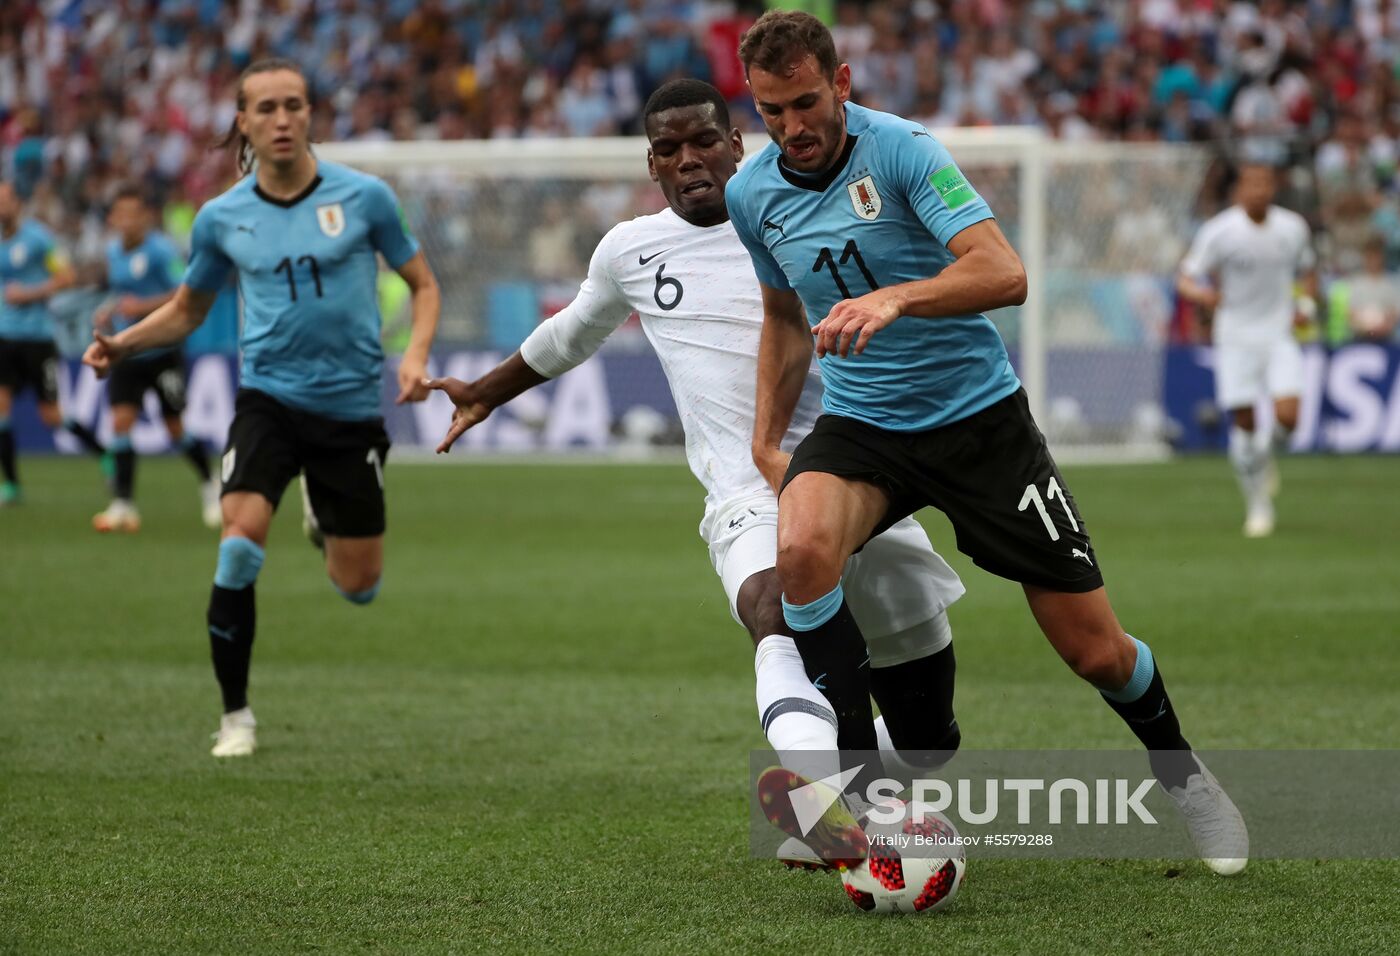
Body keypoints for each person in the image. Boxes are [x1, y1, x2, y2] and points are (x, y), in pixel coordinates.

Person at [726, 10, 1246, 875]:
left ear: (842, 83)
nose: (793, 127)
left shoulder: (903, 152)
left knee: (1095, 651)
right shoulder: (753, 195)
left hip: (978, 425)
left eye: (807, 103)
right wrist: (764, 439)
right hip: (863, 426)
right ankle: (862, 804)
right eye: (773, 111)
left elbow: (1003, 272)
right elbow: (784, 317)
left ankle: (1185, 776)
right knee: (802, 549)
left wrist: (897, 298)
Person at [426, 78, 965, 868]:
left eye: (704, 142)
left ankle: (860, 780)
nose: (689, 161)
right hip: (750, 491)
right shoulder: (630, 250)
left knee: (930, 742)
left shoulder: (795, 215)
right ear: (652, 163)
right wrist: (483, 391)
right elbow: (572, 332)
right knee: (771, 608)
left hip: (861, 473)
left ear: (737, 144)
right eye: (669, 149)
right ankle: (824, 802)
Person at [83, 58, 442, 758]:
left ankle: (319, 507)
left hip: (347, 412)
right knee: (239, 546)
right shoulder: (222, 218)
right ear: (242, 122)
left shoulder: (365, 197)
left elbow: (423, 285)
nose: (282, 119)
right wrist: (123, 345)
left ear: (310, 115)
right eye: (267, 108)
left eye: (294, 106)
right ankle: (235, 717)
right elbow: (189, 308)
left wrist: (416, 356)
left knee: (358, 586)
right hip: (267, 400)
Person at [1178, 164, 1317, 538]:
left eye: (1265, 183)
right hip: (1236, 336)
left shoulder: (1293, 228)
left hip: (1278, 333)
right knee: (1245, 421)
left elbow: (1308, 273)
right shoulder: (1220, 231)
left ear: (1273, 187)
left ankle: (1265, 453)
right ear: (1240, 190)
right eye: (1251, 184)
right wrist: (1203, 294)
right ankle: (1258, 505)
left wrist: (1304, 307)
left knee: (1288, 417)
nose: (1258, 190)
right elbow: (1186, 278)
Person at [90, 183, 221, 533]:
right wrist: (108, 312)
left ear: (145, 217)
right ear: (114, 219)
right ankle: (123, 503)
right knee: (120, 423)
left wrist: (141, 307)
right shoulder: (114, 251)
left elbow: (184, 293)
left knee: (175, 428)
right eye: (122, 214)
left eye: (135, 214)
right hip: (127, 351)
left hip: (161, 352)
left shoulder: (162, 251)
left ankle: (210, 483)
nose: (128, 221)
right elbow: (121, 295)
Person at [0, 181, 106, 505]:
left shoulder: (38, 239)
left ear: (17, 203)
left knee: (52, 417)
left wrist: (29, 294)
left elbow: (67, 277)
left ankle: (104, 452)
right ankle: (12, 485)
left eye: (5, 200)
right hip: (5, 337)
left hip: (39, 338)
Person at [1343, 235, 1400, 343]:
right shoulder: (1356, 283)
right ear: (1365, 257)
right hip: (1360, 339)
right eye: (1370, 256)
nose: (1373, 260)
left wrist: (1383, 325)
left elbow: (1396, 312)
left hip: (1387, 339)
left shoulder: (1392, 284)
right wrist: (1366, 327)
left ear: (1382, 257)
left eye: (1376, 256)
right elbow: (1350, 313)